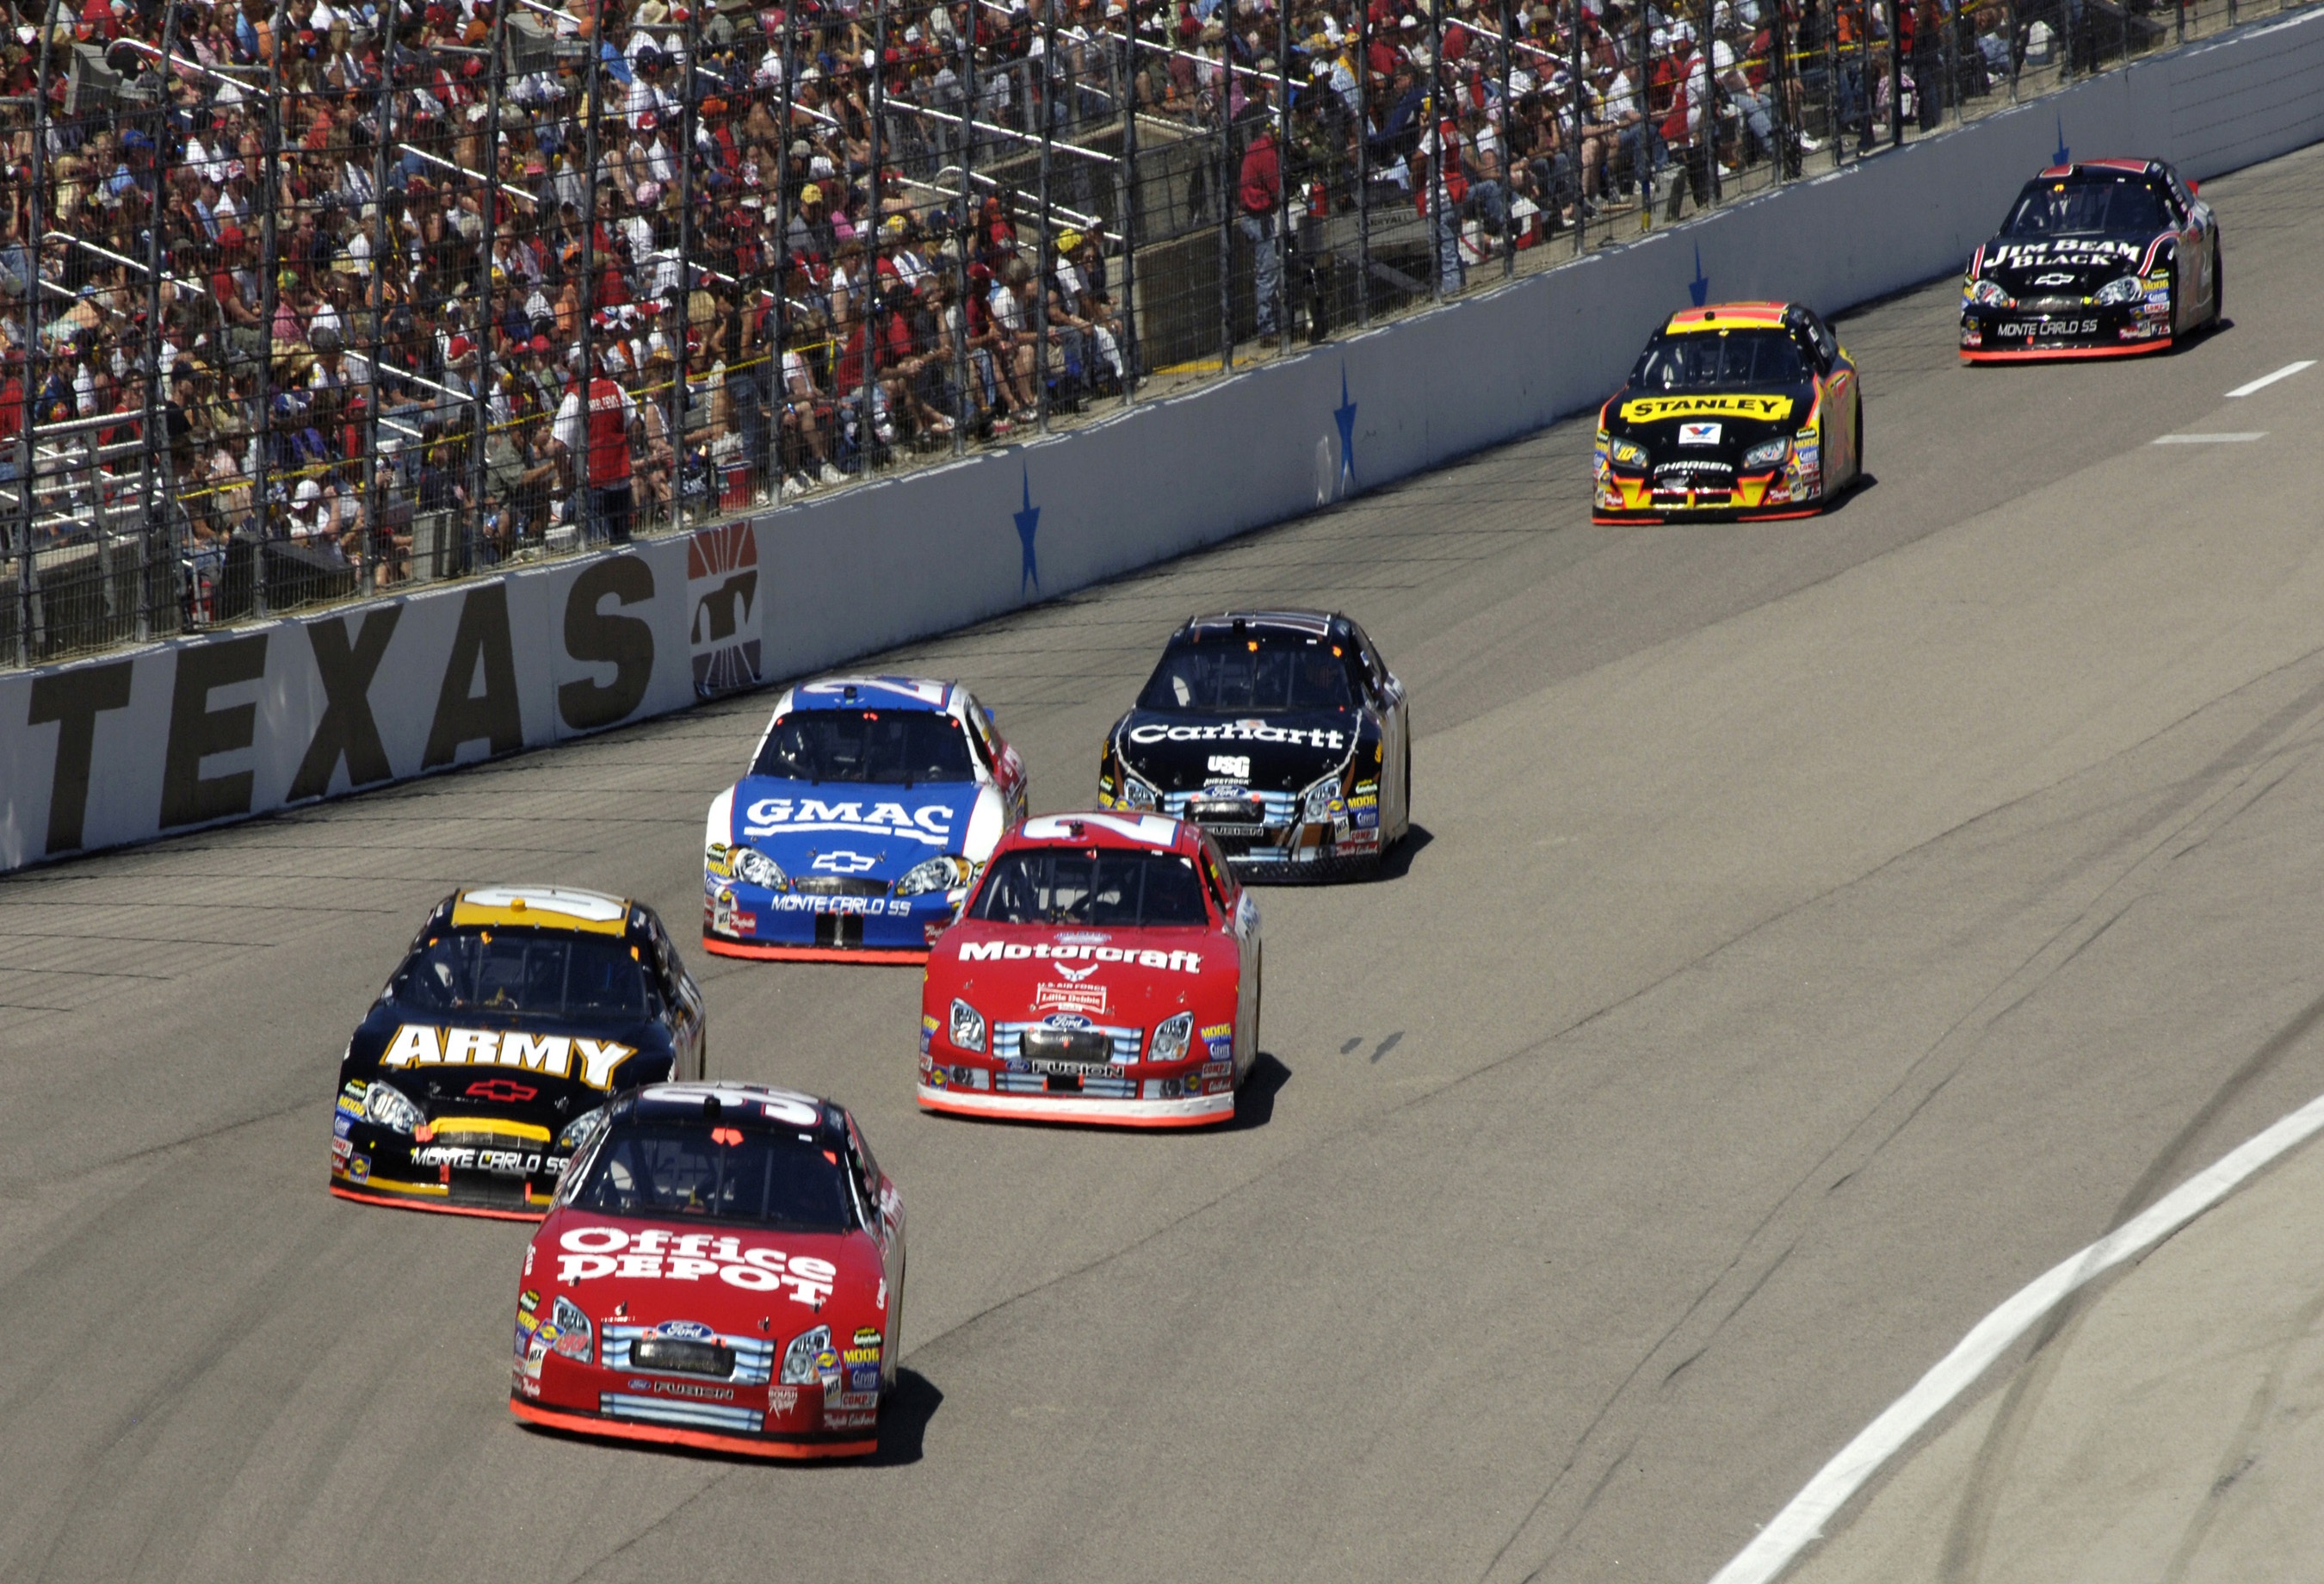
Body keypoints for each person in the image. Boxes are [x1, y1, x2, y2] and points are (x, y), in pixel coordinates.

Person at [553, 348, 642, 544]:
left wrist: (567, 480)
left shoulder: (575, 398)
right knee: (622, 543)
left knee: (598, 546)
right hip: (620, 479)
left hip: (594, 484)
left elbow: (558, 446)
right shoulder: (614, 388)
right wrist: (627, 451)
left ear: (572, 368)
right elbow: (634, 422)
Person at [1239, 115, 1284, 341]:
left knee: (1267, 272)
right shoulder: (1266, 152)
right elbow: (1276, 186)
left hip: (1253, 217)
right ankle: (1267, 328)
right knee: (1267, 274)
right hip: (1258, 218)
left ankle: (1273, 322)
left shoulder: (1255, 148)